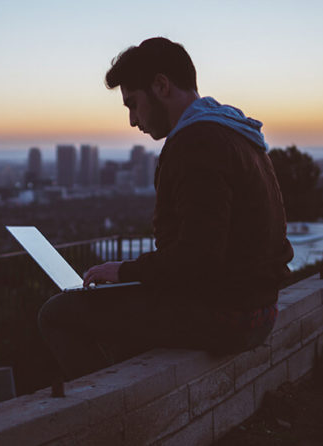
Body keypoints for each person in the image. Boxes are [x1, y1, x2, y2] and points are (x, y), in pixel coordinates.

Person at [37, 37, 294, 381]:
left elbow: (199, 257)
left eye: (133, 104)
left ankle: (110, 413)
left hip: (230, 317)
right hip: (258, 308)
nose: (132, 120)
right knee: (122, 311)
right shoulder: (235, 132)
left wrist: (126, 272)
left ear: (161, 85)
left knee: (58, 314)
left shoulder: (196, 142)